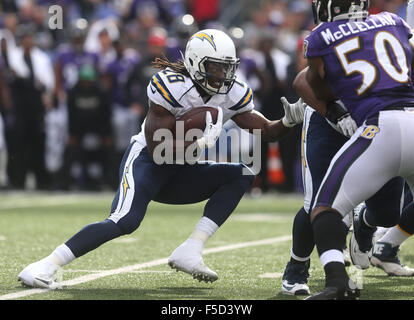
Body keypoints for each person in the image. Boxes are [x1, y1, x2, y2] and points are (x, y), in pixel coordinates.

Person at [18, 29, 306, 289]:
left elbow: (266, 131)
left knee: (241, 174)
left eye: (228, 68)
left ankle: (191, 248)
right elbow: (158, 147)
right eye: (216, 67)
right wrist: (199, 139)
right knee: (124, 221)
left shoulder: (232, 92)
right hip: (148, 162)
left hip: (181, 170)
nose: (223, 75)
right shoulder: (172, 86)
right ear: (195, 63)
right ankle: (45, 265)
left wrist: (288, 122)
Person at [299, 0, 414, 299]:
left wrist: (338, 97)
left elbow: (316, 85)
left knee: (324, 208)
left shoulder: (321, 37)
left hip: (380, 128)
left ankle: (338, 282)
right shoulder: (394, 21)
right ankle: (385, 245)